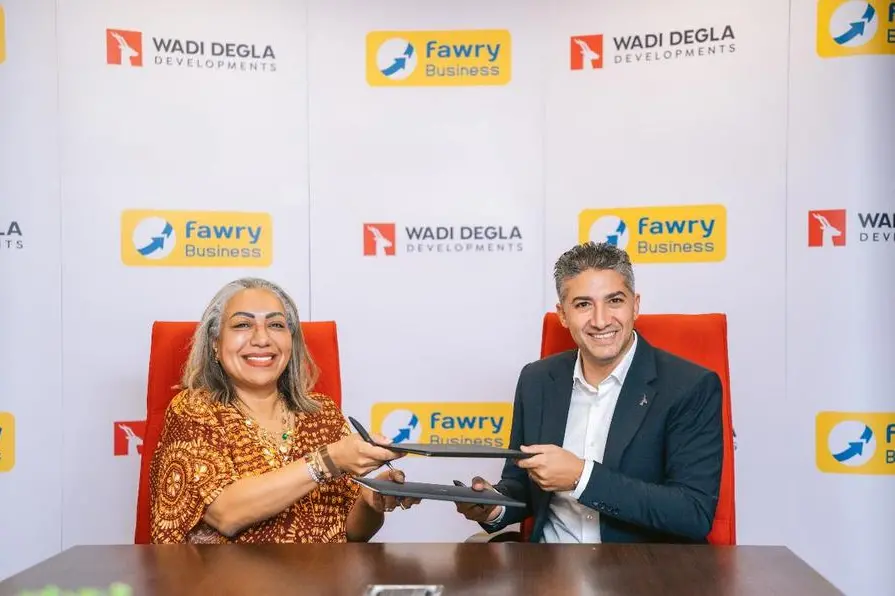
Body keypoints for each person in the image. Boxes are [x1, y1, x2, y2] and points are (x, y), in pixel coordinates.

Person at [455, 242, 724, 543]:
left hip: (641, 566)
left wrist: (580, 477)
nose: (600, 320)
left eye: (614, 301)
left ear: (635, 305)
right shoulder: (537, 380)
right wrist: (494, 507)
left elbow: (692, 512)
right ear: (563, 314)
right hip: (548, 566)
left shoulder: (689, 386)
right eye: (583, 305)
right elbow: (522, 483)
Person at [149, 277, 418, 544]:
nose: (262, 338)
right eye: (243, 324)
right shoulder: (194, 410)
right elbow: (226, 515)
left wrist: (371, 501)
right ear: (215, 343)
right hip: (228, 573)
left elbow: (349, 533)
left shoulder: (322, 413)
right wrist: (329, 460)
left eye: (276, 325)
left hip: (322, 571)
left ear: (291, 342)